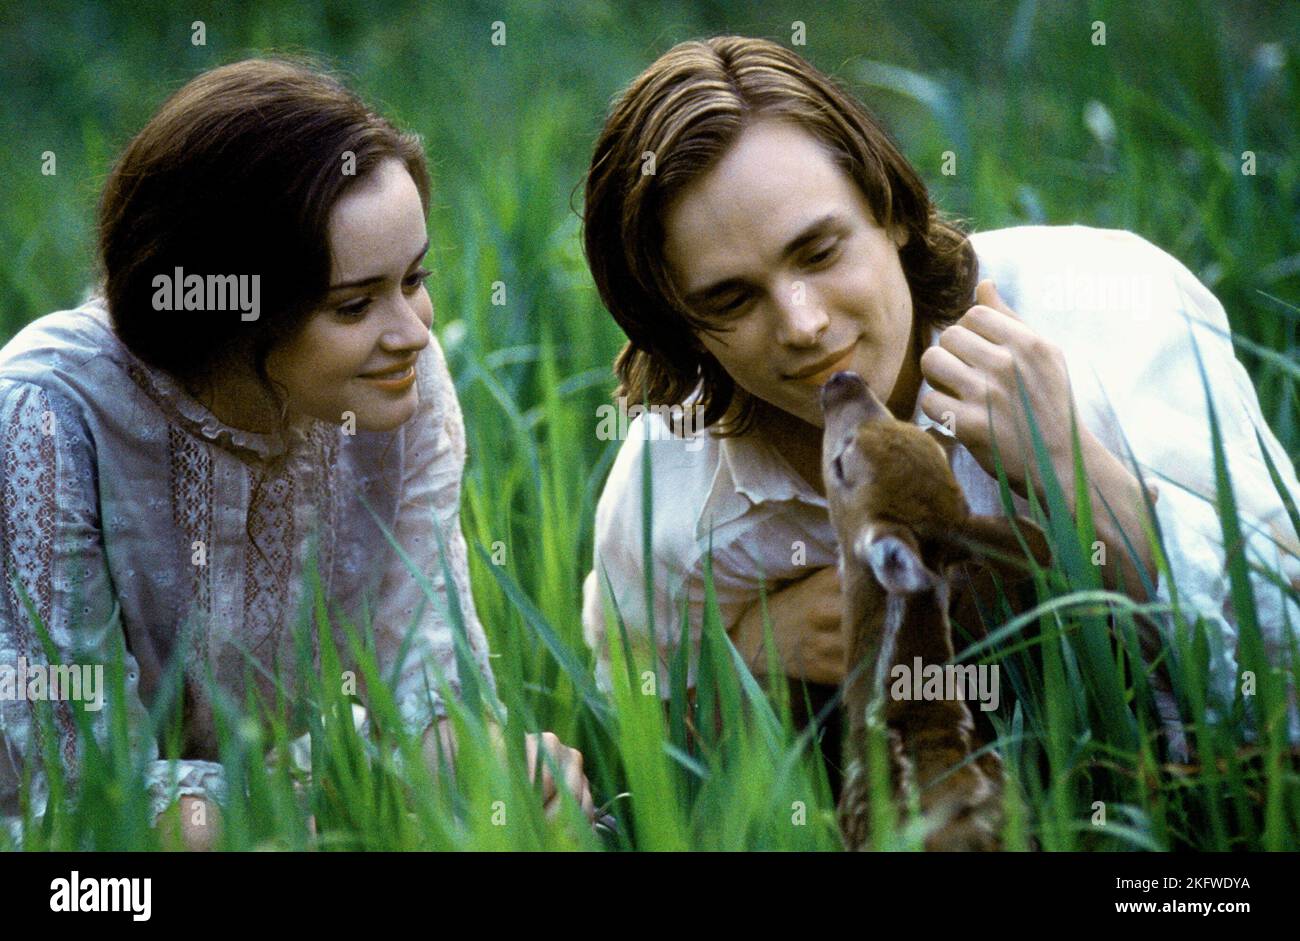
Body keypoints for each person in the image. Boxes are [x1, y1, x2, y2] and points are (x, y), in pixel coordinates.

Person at [578, 35, 1300, 757]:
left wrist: (1071, 466)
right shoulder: (666, 497)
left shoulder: (1109, 307)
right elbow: (657, 747)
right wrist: (748, 648)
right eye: (733, 299)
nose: (803, 324)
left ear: (888, 206)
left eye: (820, 252)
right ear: (683, 327)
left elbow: (1285, 663)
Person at [0, 58, 593, 849]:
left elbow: (424, 675)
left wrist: (497, 770)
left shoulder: (394, 383)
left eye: (415, 279)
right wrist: (306, 822)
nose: (413, 333)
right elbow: (86, 783)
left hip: (289, 786)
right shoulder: (50, 412)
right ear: (231, 314)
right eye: (354, 304)